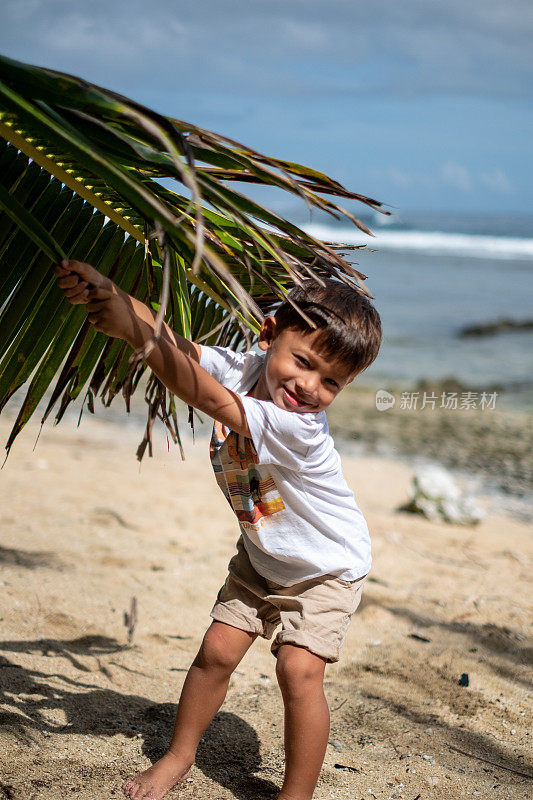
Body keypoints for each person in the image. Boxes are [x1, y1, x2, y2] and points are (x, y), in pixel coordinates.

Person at [54, 258, 382, 800]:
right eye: (302, 362)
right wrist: (113, 294)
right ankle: (180, 756)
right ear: (269, 334)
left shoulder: (297, 426)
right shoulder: (249, 368)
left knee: (298, 672)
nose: (309, 386)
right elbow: (179, 347)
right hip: (261, 558)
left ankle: (296, 795)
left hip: (326, 569)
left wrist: (132, 332)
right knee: (216, 653)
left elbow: (206, 396)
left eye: (332, 382)